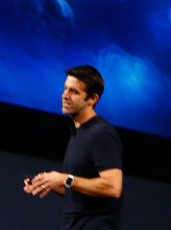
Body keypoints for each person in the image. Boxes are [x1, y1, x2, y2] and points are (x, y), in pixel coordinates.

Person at [23, 65, 123, 229]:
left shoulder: (101, 133)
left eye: (74, 92)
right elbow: (85, 194)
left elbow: (113, 187)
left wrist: (65, 179)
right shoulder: (78, 132)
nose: (65, 96)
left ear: (92, 99)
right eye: (65, 89)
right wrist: (52, 183)